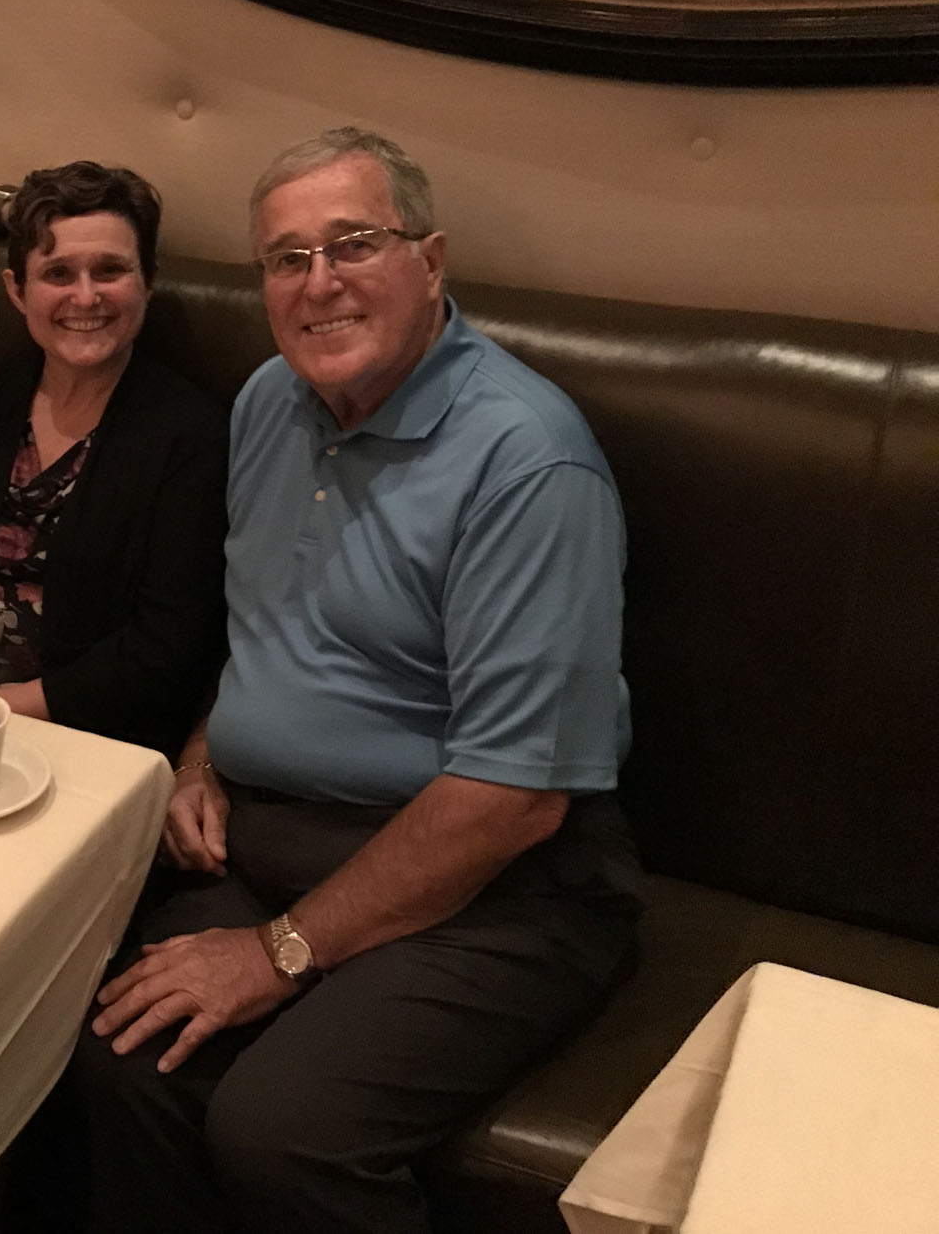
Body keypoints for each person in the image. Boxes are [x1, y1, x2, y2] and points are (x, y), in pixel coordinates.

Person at [62, 128, 644, 1233]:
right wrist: (202, 756)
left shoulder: (527, 459)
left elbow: (515, 795)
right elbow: (263, 628)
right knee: (114, 1058)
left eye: (353, 244)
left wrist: (278, 952)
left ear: (430, 261)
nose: (317, 282)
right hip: (280, 838)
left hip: (502, 885)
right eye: (286, 258)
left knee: (281, 1132)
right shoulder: (266, 404)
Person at [0, 161, 227, 755]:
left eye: (110, 270)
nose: (86, 296)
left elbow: (169, 644)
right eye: (58, 273)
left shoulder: (191, 435)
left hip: (97, 740)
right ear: (16, 291)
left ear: (148, 282)